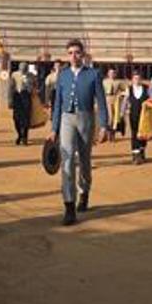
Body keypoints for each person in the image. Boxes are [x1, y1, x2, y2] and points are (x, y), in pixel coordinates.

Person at [48, 39, 109, 226]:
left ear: (83, 54)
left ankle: (84, 191)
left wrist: (104, 125)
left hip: (86, 118)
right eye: (70, 53)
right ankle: (69, 206)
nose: (73, 56)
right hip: (66, 118)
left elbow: (101, 100)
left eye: (77, 52)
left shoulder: (93, 74)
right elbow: (57, 102)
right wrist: (54, 128)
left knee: (84, 159)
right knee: (66, 161)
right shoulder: (63, 75)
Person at [122, 69, 152, 164]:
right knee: (134, 132)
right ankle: (135, 155)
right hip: (133, 114)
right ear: (132, 79)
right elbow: (125, 101)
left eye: (138, 78)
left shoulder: (146, 88)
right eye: (135, 78)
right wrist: (122, 113)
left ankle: (142, 151)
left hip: (144, 115)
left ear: (141, 79)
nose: (137, 80)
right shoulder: (129, 89)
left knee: (143, 133)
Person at [10, 61, 35, 145]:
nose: (23, 69)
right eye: (22, 68)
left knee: (26, 119)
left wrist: (31, 89)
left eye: (25, 68)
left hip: (27, 97)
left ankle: (25, 137)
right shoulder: (14, 75)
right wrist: (10, 100)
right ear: (19, 68)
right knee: (16, 118)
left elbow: (35, 86)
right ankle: (19, 135)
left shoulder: (32, 76)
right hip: (17, 96)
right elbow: (11, 87)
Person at [103, 68, 125, 141]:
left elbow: (125, 90)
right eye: (110, 73)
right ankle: (108, 133)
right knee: (110, 117)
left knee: (115, 117)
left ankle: (113, 134)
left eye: (113, 73)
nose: (112, 74)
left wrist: (121, 95)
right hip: (107, 98)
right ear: (108, 74)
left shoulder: (118, 82)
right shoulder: (104, 82)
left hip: (115, 99)